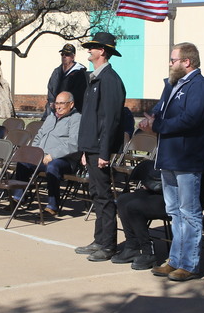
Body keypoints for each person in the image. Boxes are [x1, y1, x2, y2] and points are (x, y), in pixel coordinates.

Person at [139, 42, 204, 281]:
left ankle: (190, 264)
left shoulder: (199, 87)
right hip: (168, 156)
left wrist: (158, 125)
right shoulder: (172, 85)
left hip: (187, 158)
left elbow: (191, 118)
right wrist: (150, 119)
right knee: (174, 212)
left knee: (189, 212)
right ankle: (175, 260)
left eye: (173, 60)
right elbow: (160, 109)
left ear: (186, 62)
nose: (170, 64)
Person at [74, 32, 127, 261]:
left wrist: (103, 152)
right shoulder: (95, 78)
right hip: (92, 147)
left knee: (104, 197)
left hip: (101, 149)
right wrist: (85, 150)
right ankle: (99, 239)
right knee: (96, 194)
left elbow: (110, 120)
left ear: (102, 52)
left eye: (92, 48)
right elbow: (91, 118)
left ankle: (108, 245)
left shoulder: (110, 80)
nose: (88, 51)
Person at [12, 91, 81, 216]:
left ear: (71, 104)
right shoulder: (51, 117)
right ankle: (18, 197)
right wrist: (35, 152)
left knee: (52, 166)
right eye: (56, 103)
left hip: (64, 160)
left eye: (62, 103)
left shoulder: (76, 119)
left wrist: (52, 155)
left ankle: (52, 205)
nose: (58, 106)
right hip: (42, 156)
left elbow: (73, 144)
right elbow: (39, 136)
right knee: (23, 162)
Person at [112, 160, 166, 271]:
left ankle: (148, 252)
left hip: (172, 196)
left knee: (134, 207)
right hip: (158, 187)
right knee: (122, 200)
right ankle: (132, 246)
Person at [44, 43, 87, 116]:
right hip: (54, 109)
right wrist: (52, 103)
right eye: (62, 54)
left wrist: (65, 106)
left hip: (71, 111)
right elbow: (50, 88)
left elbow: (78, 95)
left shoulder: (80, 73)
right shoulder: (56, 72)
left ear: (73, 56)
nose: (64, 56)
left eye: (67, 54)